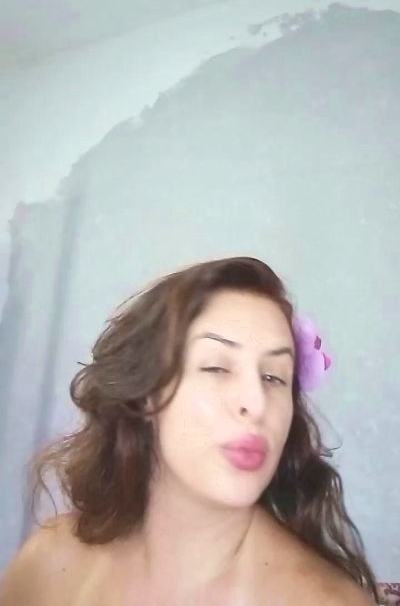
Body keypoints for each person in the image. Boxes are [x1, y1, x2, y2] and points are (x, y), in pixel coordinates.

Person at [0, 256, 379, 605]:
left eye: (273, 377)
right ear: (145, 395)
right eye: (216, 368)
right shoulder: (49, 563)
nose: (257, 402)